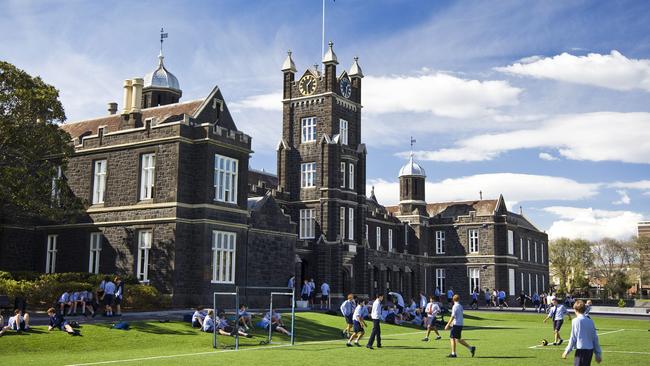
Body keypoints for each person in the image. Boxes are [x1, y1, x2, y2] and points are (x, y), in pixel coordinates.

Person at [562, 300, 602, 365]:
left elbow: (573, 337)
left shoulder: (575, 320)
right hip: (590, 351)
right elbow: (595, 338)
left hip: (581, 350)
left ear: (575, 309)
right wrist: (598, 354)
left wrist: (567, 350)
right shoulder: (590, 321)